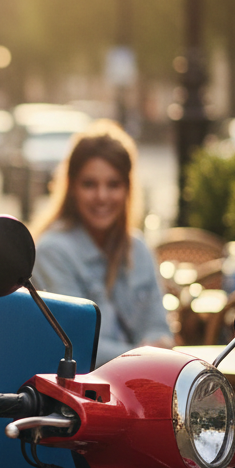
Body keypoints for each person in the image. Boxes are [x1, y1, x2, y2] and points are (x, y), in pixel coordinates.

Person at [30, 119, 173, 367]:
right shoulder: (52, 251)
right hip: (77, 397)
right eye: (89, 184)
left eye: (113, 184)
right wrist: (144, 355)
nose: (102, 196)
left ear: (128, 188)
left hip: (137, 390)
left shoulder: (138, 248)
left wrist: (154, 348)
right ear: (71, 187)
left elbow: (160, 330)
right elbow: (77, 346)